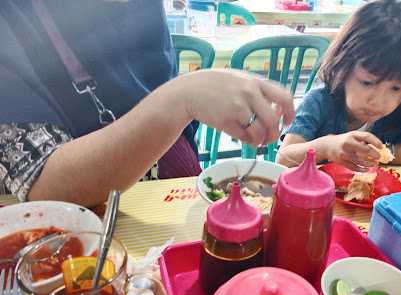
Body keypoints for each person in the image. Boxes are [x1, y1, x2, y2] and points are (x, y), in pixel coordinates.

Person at [0, 1, 294, 207]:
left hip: (172, 201)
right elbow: (41, 181)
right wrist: (182, 97)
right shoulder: (13, 17)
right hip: (86, 235)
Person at [277, 0, 401, 170]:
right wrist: (326, 147)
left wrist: (380, 152)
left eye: (397, 88)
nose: (378, 102)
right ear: (343, 66)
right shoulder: (319, 102)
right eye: (367, 82)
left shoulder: (398, 112)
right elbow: (284, 158)